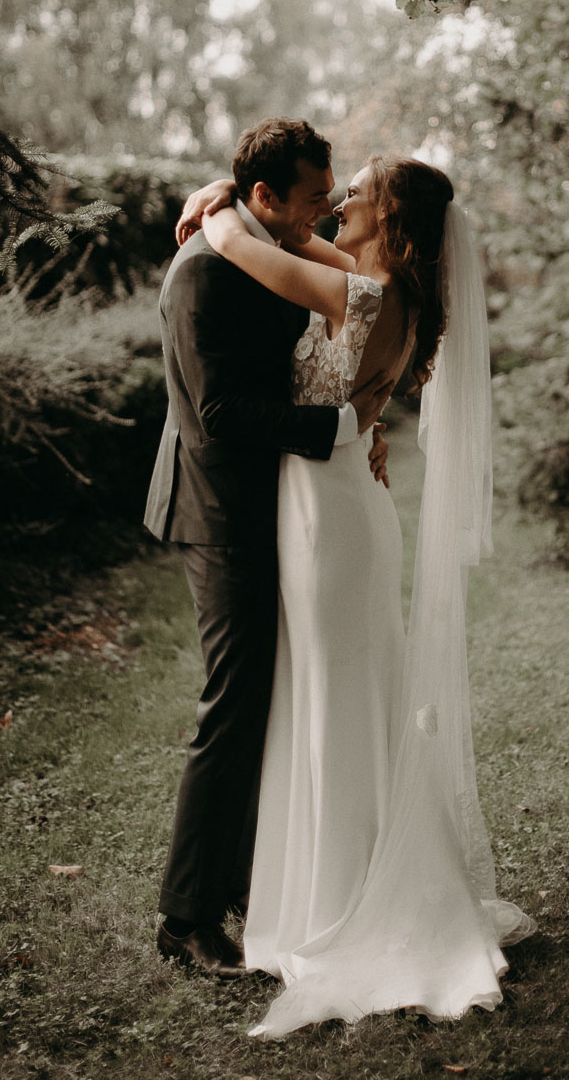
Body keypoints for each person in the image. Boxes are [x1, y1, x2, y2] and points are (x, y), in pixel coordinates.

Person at [179, 154, 536, 1036]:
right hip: (336, 504)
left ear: (392, 220)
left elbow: (244, 248)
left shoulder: (365, 295)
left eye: (360, 193)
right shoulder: (375, 283)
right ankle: (323, 880)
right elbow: (294, 251)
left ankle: (337, 899)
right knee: (334, 697)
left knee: (335, 699)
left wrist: (213, 205)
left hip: (327, 517)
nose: (339, 202)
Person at [143, 119, 394, 978]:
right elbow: (218, 414)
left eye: (331, 198)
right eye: (314, 199)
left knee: (265, 698)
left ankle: (251, 877)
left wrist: (217, 203)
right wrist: (342, 425)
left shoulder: (254, 238)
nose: (324, 216)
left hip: (274, 506)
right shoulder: (209, 270)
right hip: (220, 513)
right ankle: (186, 917)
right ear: (266, 197)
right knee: (235, 706)